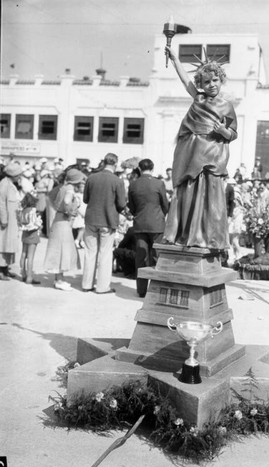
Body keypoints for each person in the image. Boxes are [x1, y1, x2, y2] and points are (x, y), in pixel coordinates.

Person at [162, 45, 238, 249]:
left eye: (215, 80)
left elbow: (233, 134)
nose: (211, 84)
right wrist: (176, 59)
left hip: (212, 155)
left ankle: (207, 237)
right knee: (188, 193)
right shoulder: (199, 98)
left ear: (221, 79)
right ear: (201, 84)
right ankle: (185, 234)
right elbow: (185, 80)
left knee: (209, 196)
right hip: (191, 153)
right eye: (206, 81)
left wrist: (223, 131)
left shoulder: (227, 106)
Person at [82, 153, 127, 294]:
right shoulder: (117, 181)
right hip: (108, 220)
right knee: (105, 254)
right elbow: (121, 203)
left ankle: (86, 284)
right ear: (115, 164)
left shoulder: (91, 177)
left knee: (90, 253)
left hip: (91, 219)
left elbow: (85, 199)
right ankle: (102, 287)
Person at [128, 158, 169, 297]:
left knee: (141, 257)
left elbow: (132, 206)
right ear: (152, 168)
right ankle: (157, 290)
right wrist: (160, 215)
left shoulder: (133, 185)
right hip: (157, 224)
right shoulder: (159, 183)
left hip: (140, 223)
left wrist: (138, 214)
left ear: (139, 168)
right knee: (158, 257)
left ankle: (141, 290)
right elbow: (165, 204)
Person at [44, 168, 86, 290]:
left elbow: (53, 200)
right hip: (63, 222)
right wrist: (69, 211)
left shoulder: (62, 187)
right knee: (63, 250)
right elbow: (67, 200)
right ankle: (59, 281)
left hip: (58, 220)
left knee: (58, 250)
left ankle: (59, 278)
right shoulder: (70, 189)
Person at [0, 162, 23, 280]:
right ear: (13, 175)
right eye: (18, 175)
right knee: (3, 245)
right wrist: (4, 219)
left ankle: (6, 268)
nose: (20, 177)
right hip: (7, 221)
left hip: (12, 220)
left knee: (9, 245)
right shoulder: (4, 184)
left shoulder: (11, 184)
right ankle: (1, 271)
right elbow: (1, 203)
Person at [18, 192, 42, 285]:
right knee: (31, 256)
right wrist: (40, 224)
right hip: (33, 234)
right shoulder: (33, 210)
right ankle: (29, 277)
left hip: (25, 234)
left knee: (24, 254)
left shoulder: (23, 211)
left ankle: (23, 274)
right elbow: (36, 223)